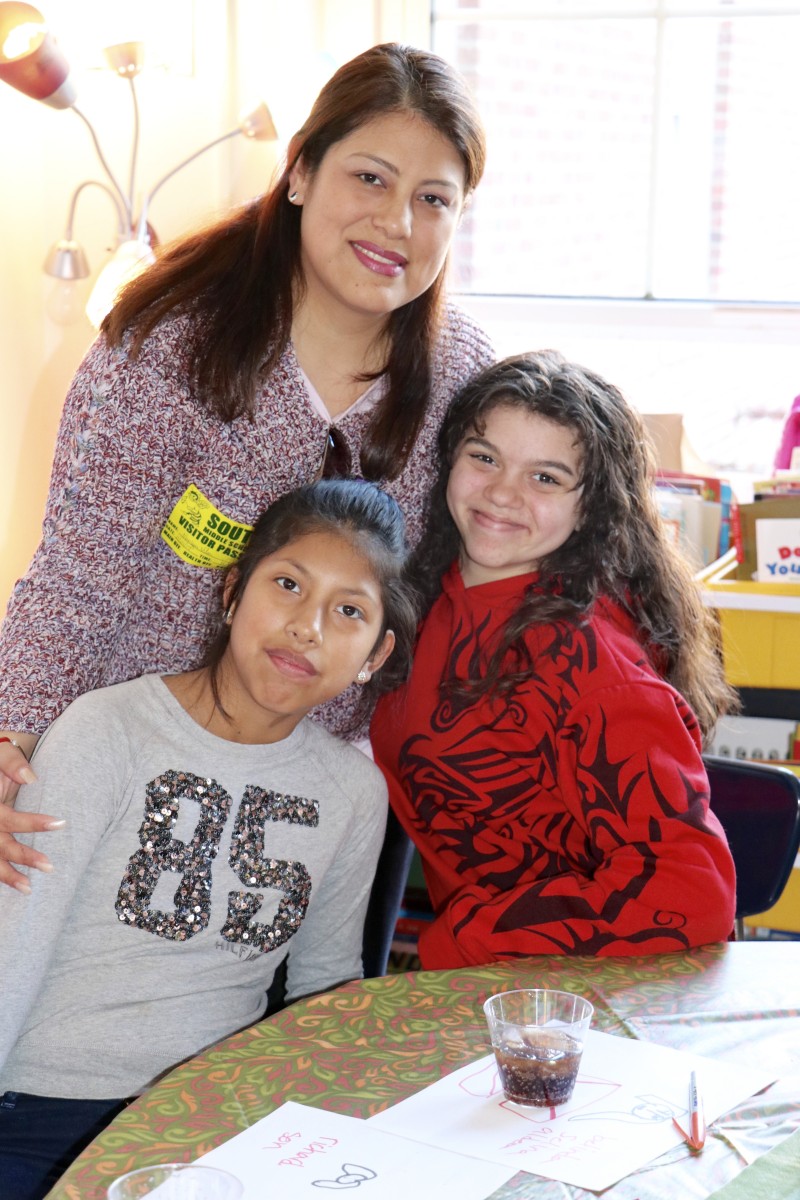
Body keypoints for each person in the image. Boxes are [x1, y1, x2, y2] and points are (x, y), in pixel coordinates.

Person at [0, 41, 493, 891]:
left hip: (305, 807)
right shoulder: (168, 343)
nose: (397, 224)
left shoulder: (462, 384)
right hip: (123, 778)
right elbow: (80, 574)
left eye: (433, 200)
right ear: (300, 172)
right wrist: (13, 736)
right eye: (369, 179)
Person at [0, 478, 417, 1200]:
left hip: (224, 1118)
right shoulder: (108, 731)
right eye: (287, 584)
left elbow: (324, 990)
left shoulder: (352, 792)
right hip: (45, 1113)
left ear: (374, 655)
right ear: (232, 594)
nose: (308, 626)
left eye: (347, 610)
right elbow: (15, 946)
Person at [371, 351, 738, 968]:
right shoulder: (434, 587)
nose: (501, 493)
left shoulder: (596, 670)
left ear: (590, 505)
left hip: (559, 1001)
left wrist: (467, 942)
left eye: (546, 478)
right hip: (476, 978)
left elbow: (693, 887)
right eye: (483, 458)